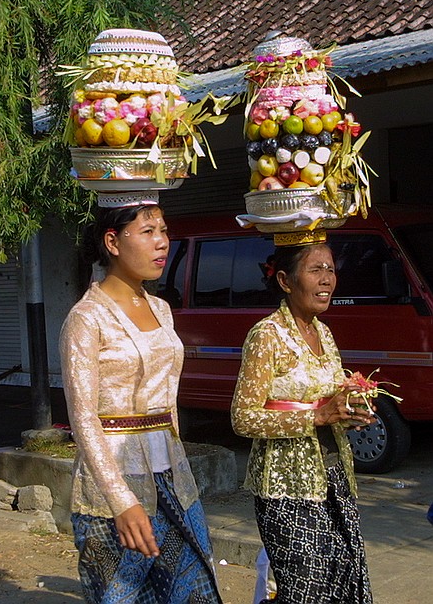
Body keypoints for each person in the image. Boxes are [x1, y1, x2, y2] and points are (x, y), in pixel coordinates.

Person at [59, 203, 222, 604]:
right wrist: (121, 501)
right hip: (114, 486)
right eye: (148, 231)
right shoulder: (86, 318)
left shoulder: (162, 309)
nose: (162, 242)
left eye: (163, 230)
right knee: (122, 596)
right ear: (113, 242)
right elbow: (83, 418)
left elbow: (168, 400)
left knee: (196, 591)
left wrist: (179, 462)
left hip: (173, 478)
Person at [232, 241, 373, 603]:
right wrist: (315, 416)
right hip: (287, 488)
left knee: (344, 582)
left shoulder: (323, 332)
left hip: (334, 479)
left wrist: (350, 410)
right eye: (315, 270)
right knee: (306, 590)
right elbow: (243, 418)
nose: (327, 279)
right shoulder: (267, 335)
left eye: (330, 269)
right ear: (285, 280)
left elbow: (329, 401)